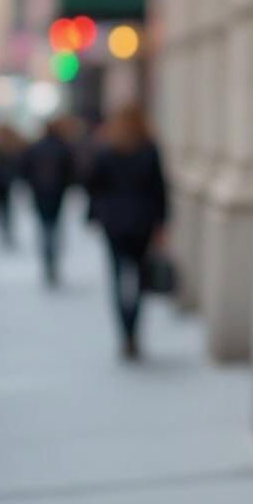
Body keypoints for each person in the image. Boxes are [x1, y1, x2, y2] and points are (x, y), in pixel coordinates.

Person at [85, 102, 168, 360]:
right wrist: (162, 222)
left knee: (118, 276)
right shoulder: (149, 149)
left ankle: (125, 332)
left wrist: (94, 215)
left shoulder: (107, 149)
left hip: (114, 222)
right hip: (142, 221)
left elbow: (94, 186)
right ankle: (134, 330)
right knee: (140, 278)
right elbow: (159, 189)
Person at [19, 117, 77, 286]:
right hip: (57, 193)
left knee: (44, 227)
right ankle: (52, 260)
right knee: (54, 226)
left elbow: (24, 169)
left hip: (40, 193)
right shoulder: (62, 147)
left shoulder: (35, 147)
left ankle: (47, 258)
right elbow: (71, 171)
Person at [0, 123, 24, 248]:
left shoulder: (7, 150)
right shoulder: (5, 149)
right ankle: (7, 237)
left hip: (2, 187)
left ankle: (7, 237)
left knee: (5, 213)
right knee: (2, 213)